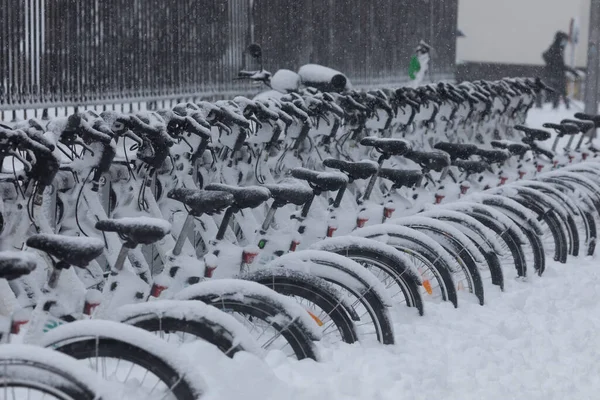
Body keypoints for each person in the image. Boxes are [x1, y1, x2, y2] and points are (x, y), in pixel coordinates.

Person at [542, 31, 580, 109]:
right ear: (560, 40)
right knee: (559, 92)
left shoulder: (556, 49)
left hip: (556, 75)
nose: (565, 43)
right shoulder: (556, 50)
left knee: (560, 92)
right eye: (564, 40)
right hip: (556, 75)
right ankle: (560, 107)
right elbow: (560, 65)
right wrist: (572, 71)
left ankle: (563, 106)